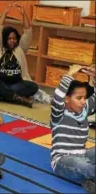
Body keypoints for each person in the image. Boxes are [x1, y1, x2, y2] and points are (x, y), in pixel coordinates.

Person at [0, 4, 38, 108]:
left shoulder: (21, 49)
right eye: (9, 39)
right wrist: (4, 14)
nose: (12, 41)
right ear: (5, 39)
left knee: (34, 87)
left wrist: (24, 15)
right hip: (0, 83)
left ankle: (2, 95)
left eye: (14, 39)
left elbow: (28, 32)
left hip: (16, 84)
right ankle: (19, 99)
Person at [50, 64, 95, 193]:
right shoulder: (58, 113)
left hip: (83, 155)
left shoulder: (84, 111)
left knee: (86, 164)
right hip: (63, 160)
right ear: (67, 99)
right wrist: (70, 74)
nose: (83, 102)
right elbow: (57, 97)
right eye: (78, 98)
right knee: (84, 166)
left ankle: (90, 182)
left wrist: (94, 77)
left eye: (84, 98)